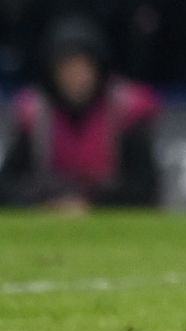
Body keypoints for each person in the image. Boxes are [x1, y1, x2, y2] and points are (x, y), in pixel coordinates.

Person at [3, 18, 160, 211]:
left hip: (109, 214)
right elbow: (7, 186)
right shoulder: (35, 114)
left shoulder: (126, 112)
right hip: (51, 210)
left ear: (98, 69)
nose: (76, 77)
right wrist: (48, 203)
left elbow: (146, 188)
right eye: (67, 69)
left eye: (82, 68)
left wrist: (90, 203)